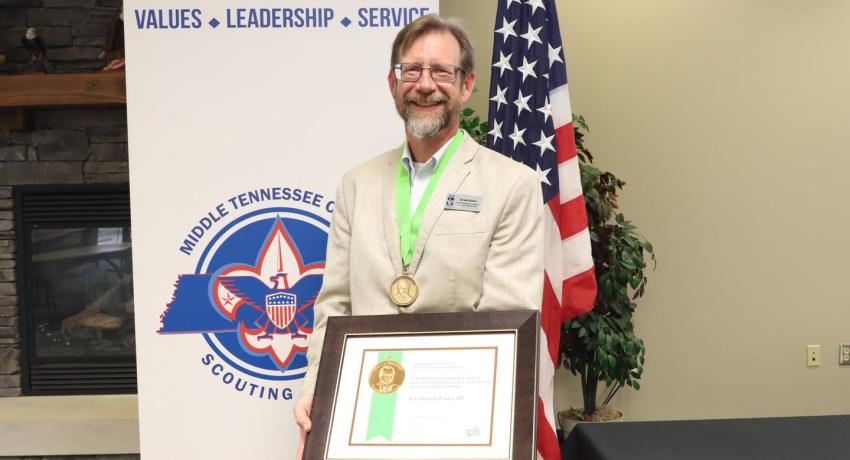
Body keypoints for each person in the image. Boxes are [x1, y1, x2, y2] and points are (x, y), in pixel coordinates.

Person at [294, 14, 543, 458]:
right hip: (364, 425)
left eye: (441, 72)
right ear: (393, 84)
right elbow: (334, 305)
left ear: (466, 86)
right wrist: (320, 391)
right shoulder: (356, 184)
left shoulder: (511, 185)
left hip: (460, 427)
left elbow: (505, 321)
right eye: (411, 70)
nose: (425, 84)